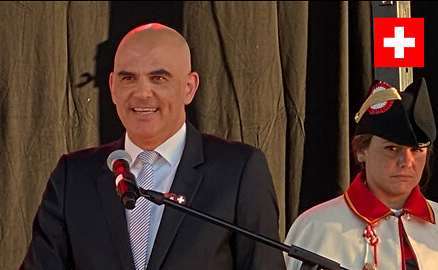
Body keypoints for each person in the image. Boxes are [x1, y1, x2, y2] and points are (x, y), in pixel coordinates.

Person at [20, 23, 286, 270]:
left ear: (189, 87)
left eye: (158, 78)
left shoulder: (237, 172)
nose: (142, 92)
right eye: (128, 78)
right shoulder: (74, 177)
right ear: (112, 87)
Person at [284, 78, 438, 270]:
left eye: (416, 150)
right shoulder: (316, 227)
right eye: (392, 148)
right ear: (361, 151)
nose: (406, 162)